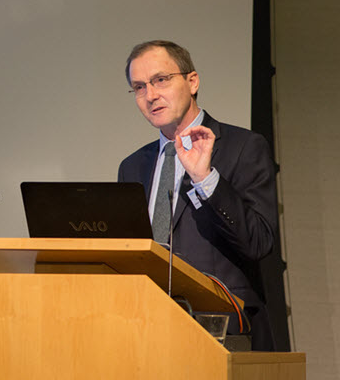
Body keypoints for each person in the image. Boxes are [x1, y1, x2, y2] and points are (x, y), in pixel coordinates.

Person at [118, 40, 278, 351]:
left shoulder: (243, 147)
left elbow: (258, 242)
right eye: (139, 87)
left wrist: (206, 179)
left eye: (161, 80)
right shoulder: (133, 166)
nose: (150, 95)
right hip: (147, 330)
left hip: (222, 332)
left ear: (192, 82)